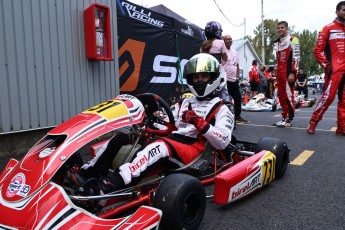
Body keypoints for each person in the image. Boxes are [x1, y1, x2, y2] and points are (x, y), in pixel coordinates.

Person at [72, 53, 234, 194]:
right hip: (174, 140)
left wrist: (200, 124)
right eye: (196, 77)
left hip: (194, 150)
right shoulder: (184, 102)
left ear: (214, 78)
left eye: (204, 76)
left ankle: (112, 185)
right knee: (121, 138)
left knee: (159, 146)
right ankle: (89, 172)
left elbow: (223, 141)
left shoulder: (222, 107)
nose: (199, 81)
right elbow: (169, 124)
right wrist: (153, 123)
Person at [307, 1, 345, 135]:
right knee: (328, 98)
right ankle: (313, 122)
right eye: (343, 10)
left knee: (344, 99)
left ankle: (342, 127)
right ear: (337, 12)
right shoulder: (328, 28)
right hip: (334, 70)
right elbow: (318, 50)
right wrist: (327, 66)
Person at [273, 21, 300, 127]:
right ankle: (285, 117)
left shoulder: (293, 39)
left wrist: (293, 72)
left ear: (287, 28)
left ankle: (289, 119)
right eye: (278, 28)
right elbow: (278, 59)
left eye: (282, 28)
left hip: (288, 72)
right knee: (281, 96)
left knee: (288, 96)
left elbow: (296, 57)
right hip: (280, 73)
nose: (280, 29)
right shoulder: (277, 42)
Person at [222, 34, 248, 123]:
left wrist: (237, 77)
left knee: (237, 97)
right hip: (224, 80)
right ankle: (224, 117)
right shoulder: (222, 52)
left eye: (231, 39)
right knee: (225, 99)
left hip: (234, 80)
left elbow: (237, 65)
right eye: (228, 39)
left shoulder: (235, 52)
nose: (230, 40)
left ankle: (237, 116)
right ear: (223, 41)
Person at [201, 21, 229, 101]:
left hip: (206, 73)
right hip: (217, 72)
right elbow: (225, 58)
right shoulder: (220, 42)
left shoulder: (203, 44)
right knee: (224, 93)